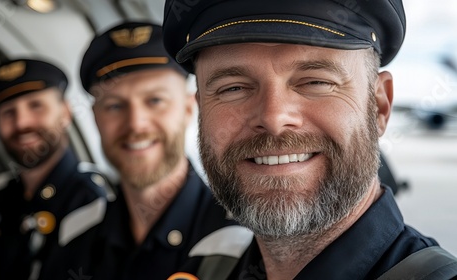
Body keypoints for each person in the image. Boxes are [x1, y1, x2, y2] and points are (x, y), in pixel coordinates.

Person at [162, 0, 457, 279]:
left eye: (316, 82)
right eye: (233, 88)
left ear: (379, 105)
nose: (274, 118)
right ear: (201, 112)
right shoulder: (209, 266)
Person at [79, 21, 240, 280]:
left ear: (190, 109)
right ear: (96, 118)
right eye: (114, 106)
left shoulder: (240, 242)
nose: (135, 124)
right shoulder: (76, 236)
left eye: (155, 101)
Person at [0, 58, 109, 280]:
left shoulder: (93, 198)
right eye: (8, 113)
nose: (22, 123)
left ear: (65, 113)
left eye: (36, 106)